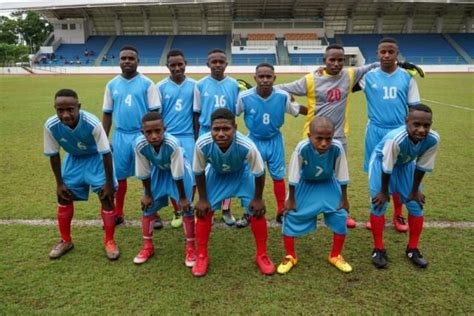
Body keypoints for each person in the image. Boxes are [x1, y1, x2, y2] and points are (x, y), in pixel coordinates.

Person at [277, 44, 379, 228]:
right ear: (324, 61)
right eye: (332, 59)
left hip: (338, 137)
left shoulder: (350, 74)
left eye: (340, 60)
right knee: (302, 175)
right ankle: (292, 206)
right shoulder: (311, 79)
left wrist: (402, 64)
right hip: (312, 138)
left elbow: (373, 66)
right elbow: (280, 87)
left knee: (338, 175)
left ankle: (341, 211)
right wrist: (288, 97)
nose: (336, 63)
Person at [191, 108, 275, 277]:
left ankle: (262, 254)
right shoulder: (202, 143)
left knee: (257, 211)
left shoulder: (247, 145)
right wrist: (202, 198)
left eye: (226, 129)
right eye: (216, 129)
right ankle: (202, 256)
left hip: (241, 174)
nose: (221, 134)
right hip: (217, 174)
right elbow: (198, 171)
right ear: (211, 129)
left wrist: (258, 198)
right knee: (203, 211)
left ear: (235, 128)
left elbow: (259, 172)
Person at [44, 89, 119, 260]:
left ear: (78, 107)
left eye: (70, 109)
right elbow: (53, 154)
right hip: (74, 160)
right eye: (60, 110)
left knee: (106, 197)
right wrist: (59, 183)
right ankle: (66, 240)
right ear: (55, 108)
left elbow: (106, 153)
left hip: (96, 159)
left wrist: (108, 183)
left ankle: (110, 241)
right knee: (64, 196)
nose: (65, 115)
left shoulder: (92, 122)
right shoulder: (50, 125)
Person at [359, 37, 421, 233]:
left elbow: (414, 109)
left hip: (399, 131)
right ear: (377, 54)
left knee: (399, 169)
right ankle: (378, 211)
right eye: (383, 52)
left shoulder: (407, 78)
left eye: (391, 52)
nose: (386, 55)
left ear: (397, 53)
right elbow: (341, 80)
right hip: (375, 131)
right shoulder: (367, 77)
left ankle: (397, 214)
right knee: (377, 173)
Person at [277, 117, 352, 274]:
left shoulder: (337, 148)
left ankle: (335, 255)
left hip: (328, 183)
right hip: (306, 183)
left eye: (328, 138)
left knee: (340, 215)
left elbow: (342, 173)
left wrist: (344, 198)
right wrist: (290, 199)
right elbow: (294, 174)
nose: (324, 143)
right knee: (291, 215)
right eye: (319, 138)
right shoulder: (302, 148)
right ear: (309, 135)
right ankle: (290, 255)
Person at [369, 104, 439, 269]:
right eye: (416, 124)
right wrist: (384, 191)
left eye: (426, 125)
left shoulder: (433, 139)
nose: (421, 130)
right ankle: (378, 249)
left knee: (416, 206)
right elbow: (387, 168)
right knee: (379, 204)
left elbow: (422, 166)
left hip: (406, 165)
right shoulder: (395, 138)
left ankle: (412, 249)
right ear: (406, 121)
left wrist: (415, 191)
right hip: (382, 164)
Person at [236, 63, 307, 226]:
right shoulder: (245, 97)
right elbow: (232, 113)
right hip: (253, 141)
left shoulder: (282, 96)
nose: (265, 80)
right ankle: (249, 211)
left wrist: (318, 111)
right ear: (255, 78)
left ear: (274, 78)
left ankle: (281, 211)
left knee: (278, 176)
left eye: (269, 76)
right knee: (251, 176)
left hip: (275, 140)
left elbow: (296, 110)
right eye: (261, 76)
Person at [102, 45, 160, 225]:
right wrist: (104, 139)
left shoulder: (147, 84)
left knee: (147, 175)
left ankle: (153, 211)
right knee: (119, 176)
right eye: (123, 58)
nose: (127, 61)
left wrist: (151, 137)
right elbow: (107, 113)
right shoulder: (112, 84)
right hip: (120, 136)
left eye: (131, 58)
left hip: (141, 136)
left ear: (137, 61)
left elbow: (155, 113)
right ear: (119, 61)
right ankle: (118, 212)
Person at [133, 112, 196, 267]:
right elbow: (144, 171)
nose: (154, 136)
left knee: (186, 208)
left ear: (164, 129)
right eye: (149, 132)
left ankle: (190, 248)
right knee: (148, 207)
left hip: (180, 174)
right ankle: (148, 247)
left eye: (158, 131)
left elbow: (178, 173)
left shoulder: (173, 144)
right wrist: (147, 194)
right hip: (159, 171)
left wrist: (182, 198)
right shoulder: (140, 144)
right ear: (142, 132)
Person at [193, 48, 240, 226]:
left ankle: (227, 209)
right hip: (206, 132)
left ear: (226, 64)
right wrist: (197, 136)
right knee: (203, 173)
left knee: (227, 171)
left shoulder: (234, 85)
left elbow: (236, 112)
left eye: (221, 62)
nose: (217, 65)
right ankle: (207, 206)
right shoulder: (200, 85)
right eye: (214, 62)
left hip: (227, 134)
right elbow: (196, 113)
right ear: (208, 64)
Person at [156, 49, 197, 229]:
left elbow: (197, 115)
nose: (177, 68)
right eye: (173, 65)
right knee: (173, 175)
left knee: (193, 177)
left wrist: (196, 138)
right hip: (169, 138)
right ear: (167, 66)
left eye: (180, 64)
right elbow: (157, 116)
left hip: (188, 137)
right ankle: (177, 210)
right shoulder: (160, 87)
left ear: (185, 63)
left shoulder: (196, 86)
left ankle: (189, 207)